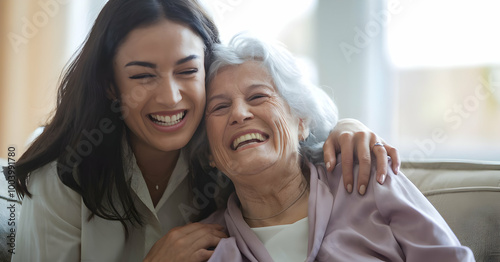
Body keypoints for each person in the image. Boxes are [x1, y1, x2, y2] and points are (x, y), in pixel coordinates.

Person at [12, 0, 400, 261]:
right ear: (111, 85)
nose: (171, 96)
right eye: (144, 76)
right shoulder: (62, 177)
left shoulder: (228, 143)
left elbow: (302, 128)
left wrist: (351, 126)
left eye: (187, 71)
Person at [195, 34, 475, 261]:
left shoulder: (368, 177)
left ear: (301, 122)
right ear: (209, 153)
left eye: (257, 96)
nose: (240, 113)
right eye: (220, 107)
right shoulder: (205, 247)